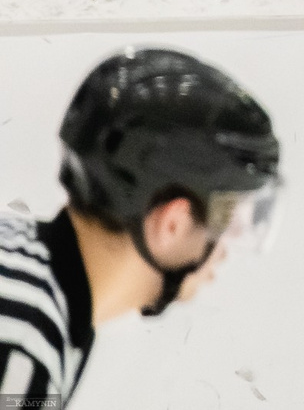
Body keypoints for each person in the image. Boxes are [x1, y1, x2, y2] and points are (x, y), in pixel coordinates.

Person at [0, 48, 280, 402]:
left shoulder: (30, 276)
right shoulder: (25, 348)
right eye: (225, 220)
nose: (222, 252)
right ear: (172, 224)